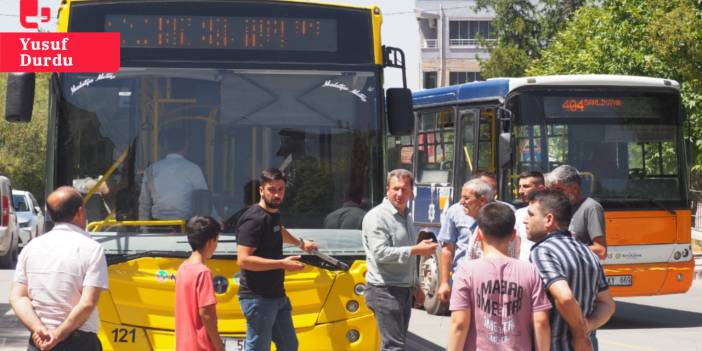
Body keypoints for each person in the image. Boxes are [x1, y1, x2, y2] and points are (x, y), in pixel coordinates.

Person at [10, 186, 108, 351]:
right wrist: (58, 334)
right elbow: (87, 303)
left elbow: (17, 297)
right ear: (80, 212)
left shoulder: (31, 247)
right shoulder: (92, 249)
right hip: (79, 343)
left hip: (39, 342)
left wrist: (38, 328)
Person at [448, 202, 552, 351]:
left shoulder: (466, 271)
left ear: (478, 235)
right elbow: (541, 322)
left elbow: (459, 324)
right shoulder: (530, 271)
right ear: (513, 235)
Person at [236, 168, 318, 351]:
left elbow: (278, 230)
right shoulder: (253, 220)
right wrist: (282, 264)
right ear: (261, 190)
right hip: (257, 297)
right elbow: (243, 260)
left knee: (289, 346)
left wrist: (301, 243)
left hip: (276, 295)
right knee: (258, 347)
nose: (277, 194)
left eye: (281, 189)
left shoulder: (272, 215)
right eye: (271, 190)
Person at [525, 189, 615, 351]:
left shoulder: (543, 251)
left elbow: (565, 297)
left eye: (531, 215)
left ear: (549, 219)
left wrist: (580, 335)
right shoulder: (587, 251)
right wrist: (589, 325)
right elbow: (607, 304)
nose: (525, 221)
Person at [362, 169, 438, 351]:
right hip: (384, 290)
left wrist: (416, 285)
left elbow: (408, 260)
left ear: (412, 192)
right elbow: (380, 253)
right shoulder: (377, 217)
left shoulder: (406, 216)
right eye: (395, 189)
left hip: (402, 290)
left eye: (404, 189)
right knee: (394, 346)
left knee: (396, 344)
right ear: (387, 189)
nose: (399, 194)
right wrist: (416, 250)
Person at [138, 127, 210, 221]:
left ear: (165, 146)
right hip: (185, 228)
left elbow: (144, 204)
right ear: (186, 145)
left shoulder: (150, 170)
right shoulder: (193, 169)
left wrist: (144, 229)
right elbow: (203, 203)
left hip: (156, 227)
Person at [175, 216, 224, 351]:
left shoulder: (182, 268)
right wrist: (218, 345)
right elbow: (206, 314)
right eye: (217, 240)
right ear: (210, 242)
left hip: (183, 344)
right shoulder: (203, 272)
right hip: (200, 346)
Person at [545, 165, 607, 259]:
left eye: (558, 189)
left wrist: (566, 250)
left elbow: (601, 251)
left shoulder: (591, 207)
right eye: (552, 190)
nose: (554, 194)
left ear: (575, 188)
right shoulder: (557, 208)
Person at [436, 181, 477, 303]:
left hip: (490, 282)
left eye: (466, 198)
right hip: (462, 278)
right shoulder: (455, 212)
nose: (461, 202)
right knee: (460, 321)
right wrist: (444, 282)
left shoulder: (504, 213)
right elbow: (447, 248)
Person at [462, 179, 519, 261]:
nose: (461, 202)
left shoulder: (502, 220)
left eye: (466, 198)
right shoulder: (478, 225)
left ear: (482, 200)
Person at [515, 171, 545, 261]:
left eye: (526, 186)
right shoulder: (519, 214)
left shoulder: (555, 212)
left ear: (541, 188)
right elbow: (517, 245)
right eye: (519, 186)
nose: (520, 191)